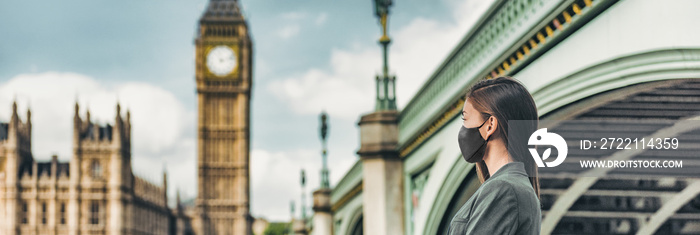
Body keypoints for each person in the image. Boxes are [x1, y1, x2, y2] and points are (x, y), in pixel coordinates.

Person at [447, 76, 541, 235]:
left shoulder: (503, 188)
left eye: (466, 118)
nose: (463, 128)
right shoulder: (517, 186)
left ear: (490, 125)